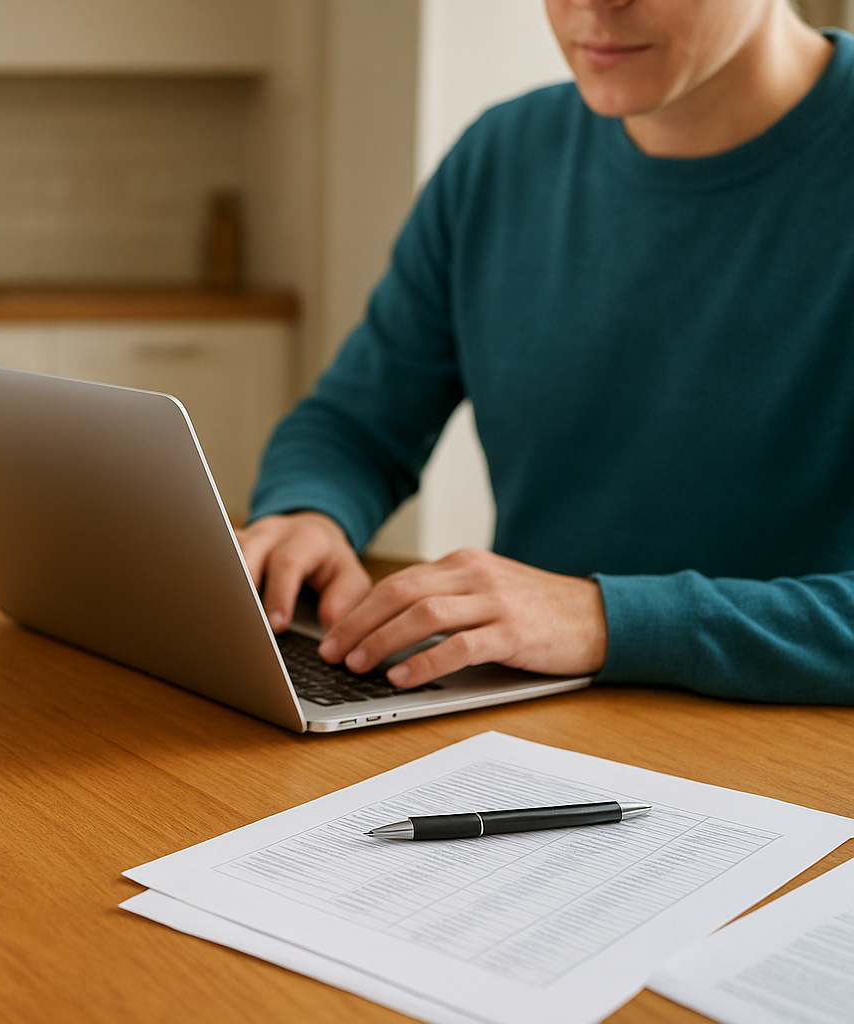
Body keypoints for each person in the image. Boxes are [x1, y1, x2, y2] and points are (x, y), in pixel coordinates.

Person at [238, 0, 854, 704]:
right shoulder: (501, 156)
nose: (593, 5)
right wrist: (310, 512)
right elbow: (355, 422)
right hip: (529, 731)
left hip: (792, 756)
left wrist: (606, 618)